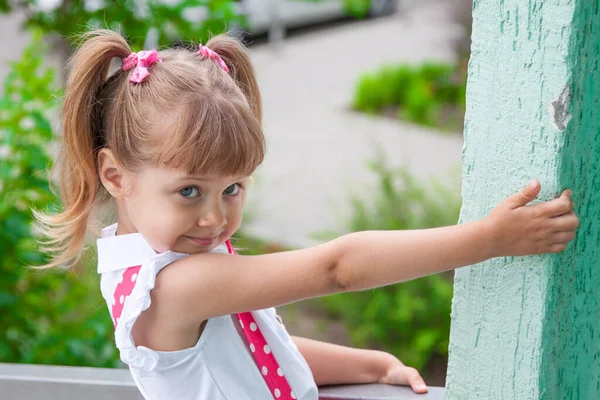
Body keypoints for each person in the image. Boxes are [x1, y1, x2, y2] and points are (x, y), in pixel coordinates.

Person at [36, 29, 579, 400]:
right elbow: (338, 267)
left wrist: (368, 365)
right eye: (188, 192)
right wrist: (487, 238)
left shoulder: (158, 253)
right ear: (114, 177)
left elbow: (260, 349)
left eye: (232, 188)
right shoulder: (174, 285)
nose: (214, 218)